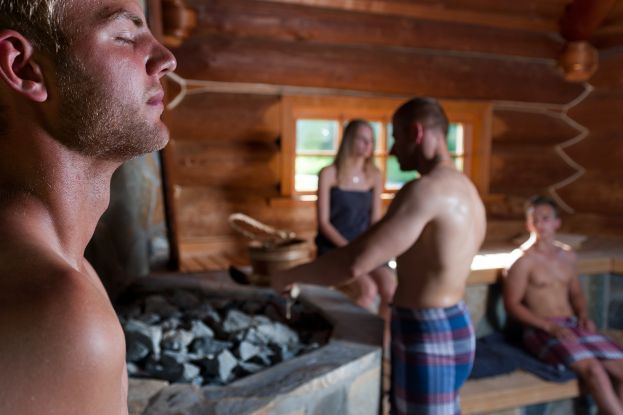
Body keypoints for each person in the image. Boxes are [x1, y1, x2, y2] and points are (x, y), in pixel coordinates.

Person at [0, 1, 176, 414]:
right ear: (24, 68)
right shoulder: (58, 312)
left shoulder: (71, 271)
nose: (166, 59)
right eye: (125, 36)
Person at [272, 97, 486, 415]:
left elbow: (354, 262)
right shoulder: (466, 189)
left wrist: (287, 276)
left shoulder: (425, 190)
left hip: (426, 330)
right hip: (456, 322)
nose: (393, 151)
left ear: (416, 132)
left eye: (397, 138)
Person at [504, 195, 623, 415]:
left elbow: (576, 293)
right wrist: (550, 327)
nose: (540, 224)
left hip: (572, 325)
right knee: (595, 371)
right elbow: (512, 305)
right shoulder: (522, 261)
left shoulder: (567, 256)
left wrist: (584, 315)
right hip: (542, 329)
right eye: (535, 219)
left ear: (557, 223)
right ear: (528, 224)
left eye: (545, 218)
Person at [315, 119, 396, 344]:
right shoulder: (329, 174)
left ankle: (380, 347)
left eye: (370, 141)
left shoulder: (374, 175)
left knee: (391, 290)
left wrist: (374, 248)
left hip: (365, 246)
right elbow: (323, 223)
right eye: (361, 139)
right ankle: (336, 340)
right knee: (367, 290)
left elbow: (375, 220)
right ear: (349, 140)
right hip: (335, 247)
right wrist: (349, 249)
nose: (367, 145)